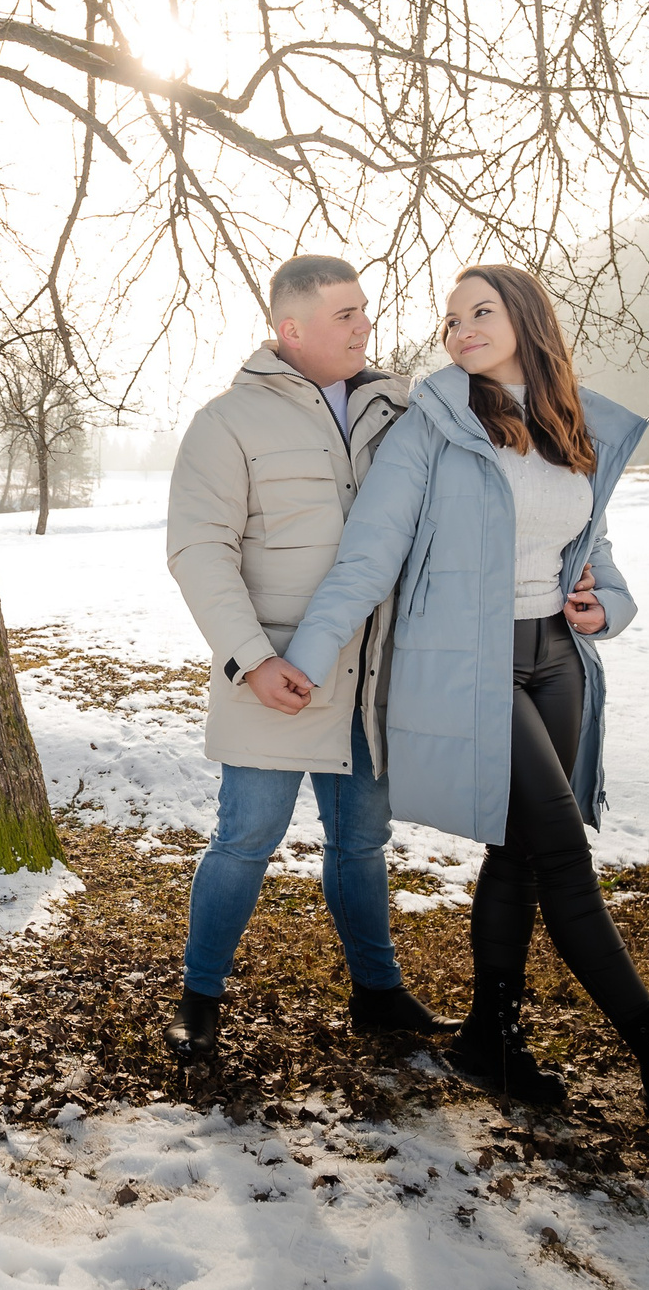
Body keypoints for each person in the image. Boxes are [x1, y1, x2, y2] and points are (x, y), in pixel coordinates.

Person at [263, 265, 649, 1159]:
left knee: (518, 855)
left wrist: (605, 608)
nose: (462, 327)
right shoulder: (432, 428)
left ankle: (490, 1039)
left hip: (557, 662)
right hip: (476, 672)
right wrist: (305, 659)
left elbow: (596, 552)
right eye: (451, 317)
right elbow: (367, 557)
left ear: (525, 318)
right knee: (562, 855)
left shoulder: (568, 425)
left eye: (482, 310)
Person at [163, 254, 453, 1064]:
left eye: (364, 309)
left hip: (374, 677)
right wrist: (251, 659)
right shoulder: (228, 422)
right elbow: (199, 551)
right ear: (291, 330)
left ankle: (379, 993)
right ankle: (200, 996)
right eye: (344, 315)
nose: (364, 325)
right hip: (279, 675)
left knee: (362, 840)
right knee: (245, 838)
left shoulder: (402, 408)